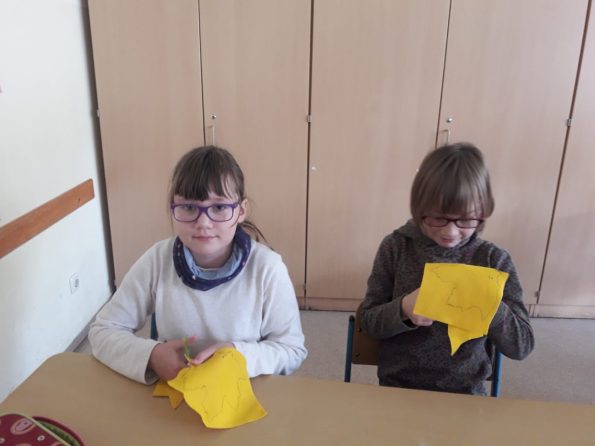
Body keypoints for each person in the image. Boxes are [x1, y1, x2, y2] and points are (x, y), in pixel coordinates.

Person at [89, 146, 307, 384]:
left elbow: (291, 350)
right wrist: (152, 355)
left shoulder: (267, 268)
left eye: (219, 207)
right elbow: (103, 331)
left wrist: (238, 356)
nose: (203, 223)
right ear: (173, 208)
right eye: (189, 207)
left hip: (244, 390)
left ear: (241, 210)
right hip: (176, 389)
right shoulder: (157, 260)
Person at [359, 142, 534, 395]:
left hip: (466, 392)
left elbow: (522, 346)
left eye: (466, 219)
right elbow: (368, 323)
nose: (450, 232)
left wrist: (491, 306)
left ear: (483, 213)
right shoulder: (396, 247)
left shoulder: (493, 259)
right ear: (419, 209)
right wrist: (404, 309)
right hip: (398, 387)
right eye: (437, 218)